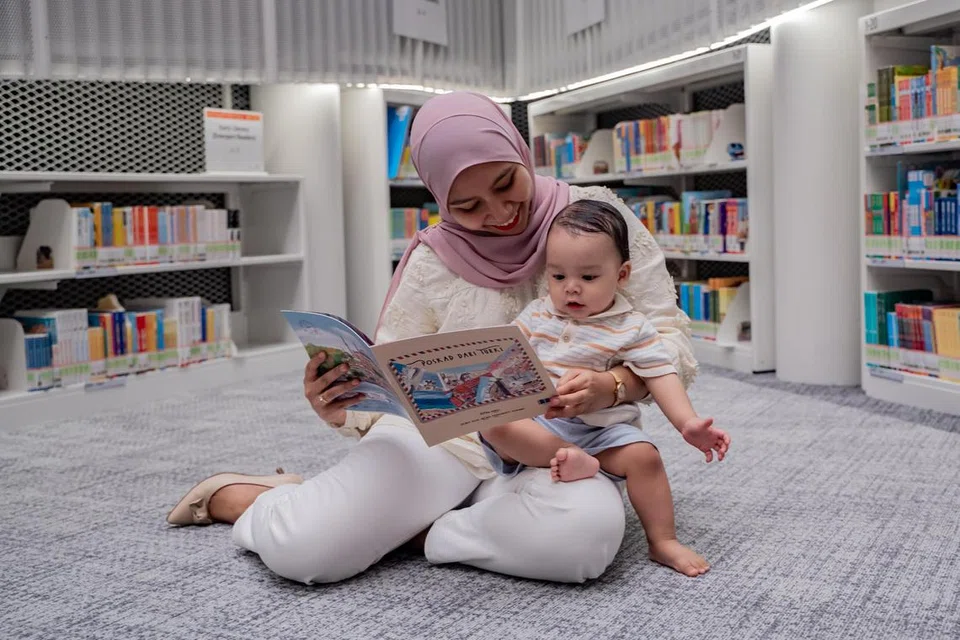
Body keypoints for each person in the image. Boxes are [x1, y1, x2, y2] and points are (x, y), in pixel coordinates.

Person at [166, 91, 699, 585]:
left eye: (505, 184)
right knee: (305, 552)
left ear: (521, 154)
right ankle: (257, 500)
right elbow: (392, 371)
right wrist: (339, 403)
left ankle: (414, 531)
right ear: (439, 196)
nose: (497, 214)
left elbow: (668, 334)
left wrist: (614, 386)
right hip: (443, 439)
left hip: (562, 444)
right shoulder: (430, 258)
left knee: (582, 544)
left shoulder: (597, 218)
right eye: (466, 205)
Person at [478, 198, 730, 577]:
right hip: (540, 427)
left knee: (645, 457)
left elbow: (661, 374)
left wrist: (688, 423)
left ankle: (663, 541)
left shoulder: (631, 327)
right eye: (558, 276)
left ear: (622, 274)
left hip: (603, 431)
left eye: (589, 277)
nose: (571, 289)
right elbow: (504, 359)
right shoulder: (537, 314)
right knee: (493, 424)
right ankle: (571, 458)